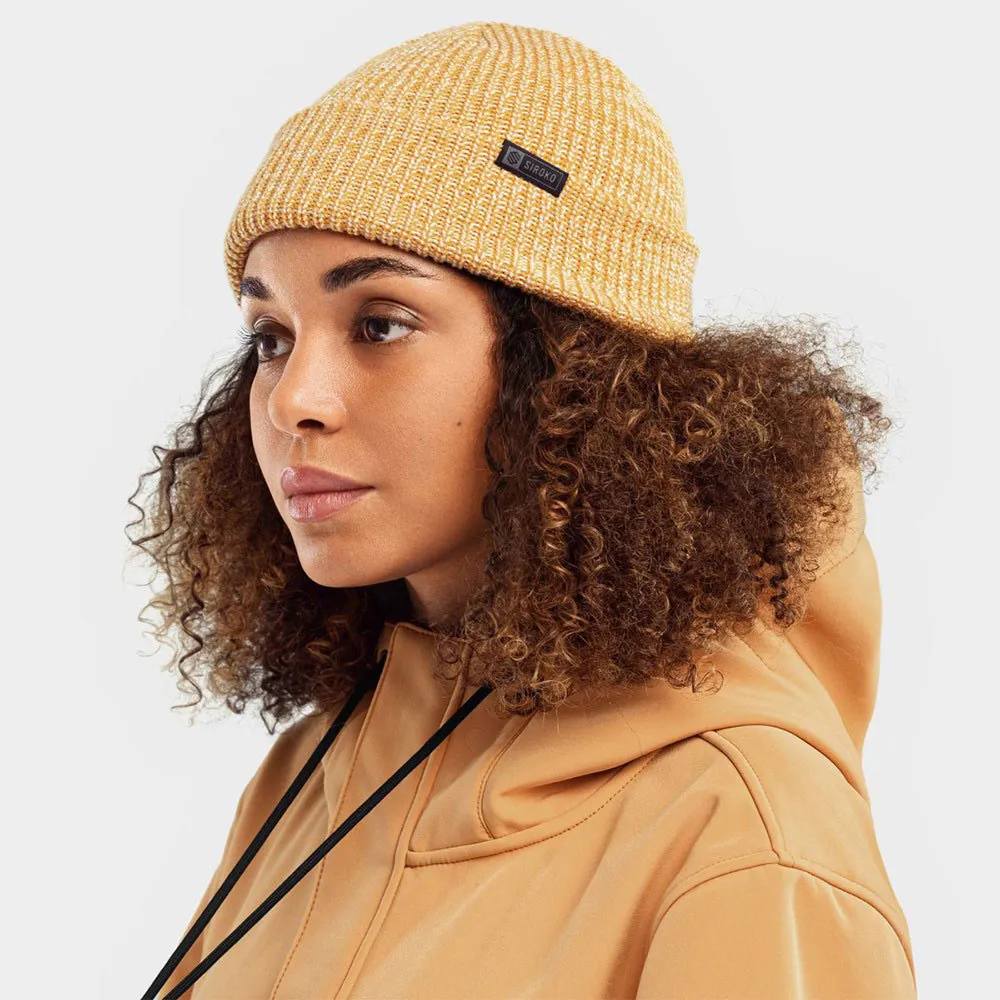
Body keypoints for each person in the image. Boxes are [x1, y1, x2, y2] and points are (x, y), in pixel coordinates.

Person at [129, 20, 917, 1000]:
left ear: (573, 370)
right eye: (271, 336)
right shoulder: (308, 780)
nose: (294, 400)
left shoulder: (740, 833)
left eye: (380, 324)